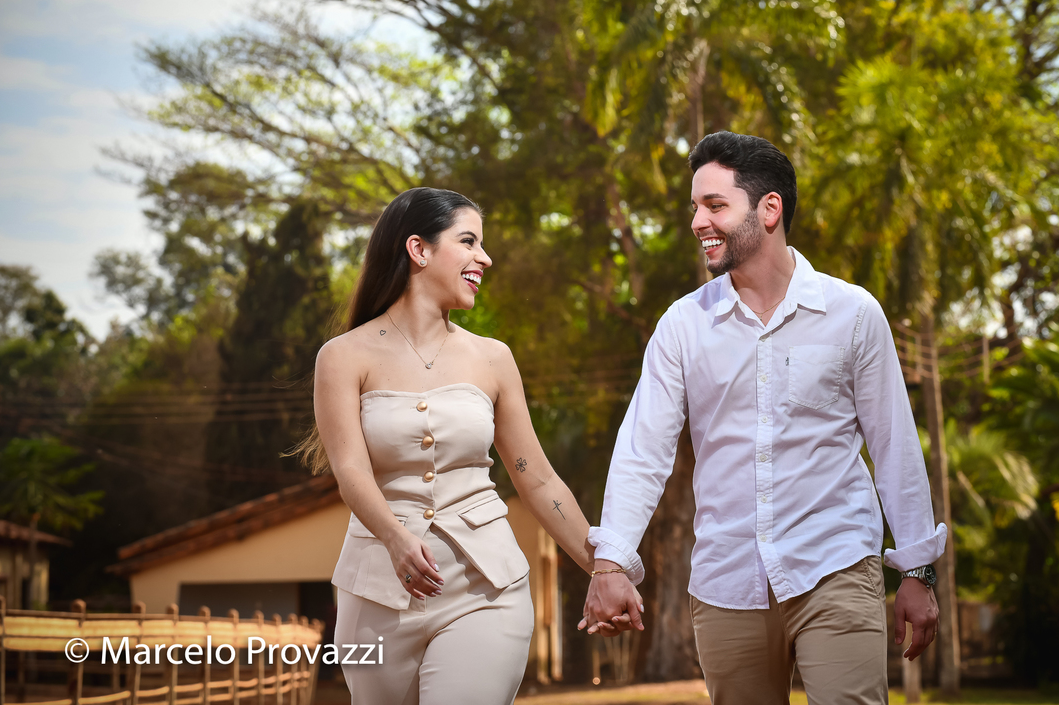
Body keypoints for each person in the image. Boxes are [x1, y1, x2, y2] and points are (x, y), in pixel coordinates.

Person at [581, 132, 946, 704]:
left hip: (835, 565)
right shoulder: (683, 326)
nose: (698, 222)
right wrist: (610, 564)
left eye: (715, 205)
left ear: (769, 209)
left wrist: (918, 571)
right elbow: (643, 449)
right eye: (695, 207)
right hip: (727, 583)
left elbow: (893, 444)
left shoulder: (853, 313)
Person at [295, 188, 625, 705]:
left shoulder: (493, 358)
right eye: (468, 242)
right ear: (418, 250)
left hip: (486, 590)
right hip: (377, 593)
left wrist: (604, 567)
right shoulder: (341, 357)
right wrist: (395, 538)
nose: (484, 258)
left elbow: (537, 479)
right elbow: (350, 470)